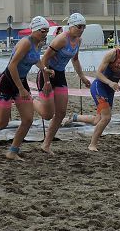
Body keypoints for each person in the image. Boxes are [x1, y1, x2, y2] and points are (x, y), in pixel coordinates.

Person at [0, 15, 50, 161]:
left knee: (28, 120)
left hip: (20, 81)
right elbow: (12, 66)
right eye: (43, 31)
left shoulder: (38, 44)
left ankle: (13, 151)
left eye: (47, 31)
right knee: (1, 124)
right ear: (35, 30)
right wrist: (21, 89)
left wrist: (45, 71)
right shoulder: (26, 43)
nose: (45, 34)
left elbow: (36, 59)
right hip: (6, 82)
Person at [66, 30, 120, 152]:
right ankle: (92, 144)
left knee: (97, 120)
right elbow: (98, 74)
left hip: (110, 90)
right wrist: (110, 83)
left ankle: (74, 117)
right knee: (107, 117)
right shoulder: (113, 54)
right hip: (99, 86)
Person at [35, 12, 92, 154]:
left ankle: (46, 144)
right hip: (47, 73)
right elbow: (44, 61)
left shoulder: (78, 40)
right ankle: (31, 100)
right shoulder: (61, 40)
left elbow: (75, 60)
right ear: (71, 26)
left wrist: (82, 77)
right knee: (47, 115)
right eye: (79, 27)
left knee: (60, 113)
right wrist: (47, 81)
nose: (82, 30)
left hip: (59, 75)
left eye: (84, 27)